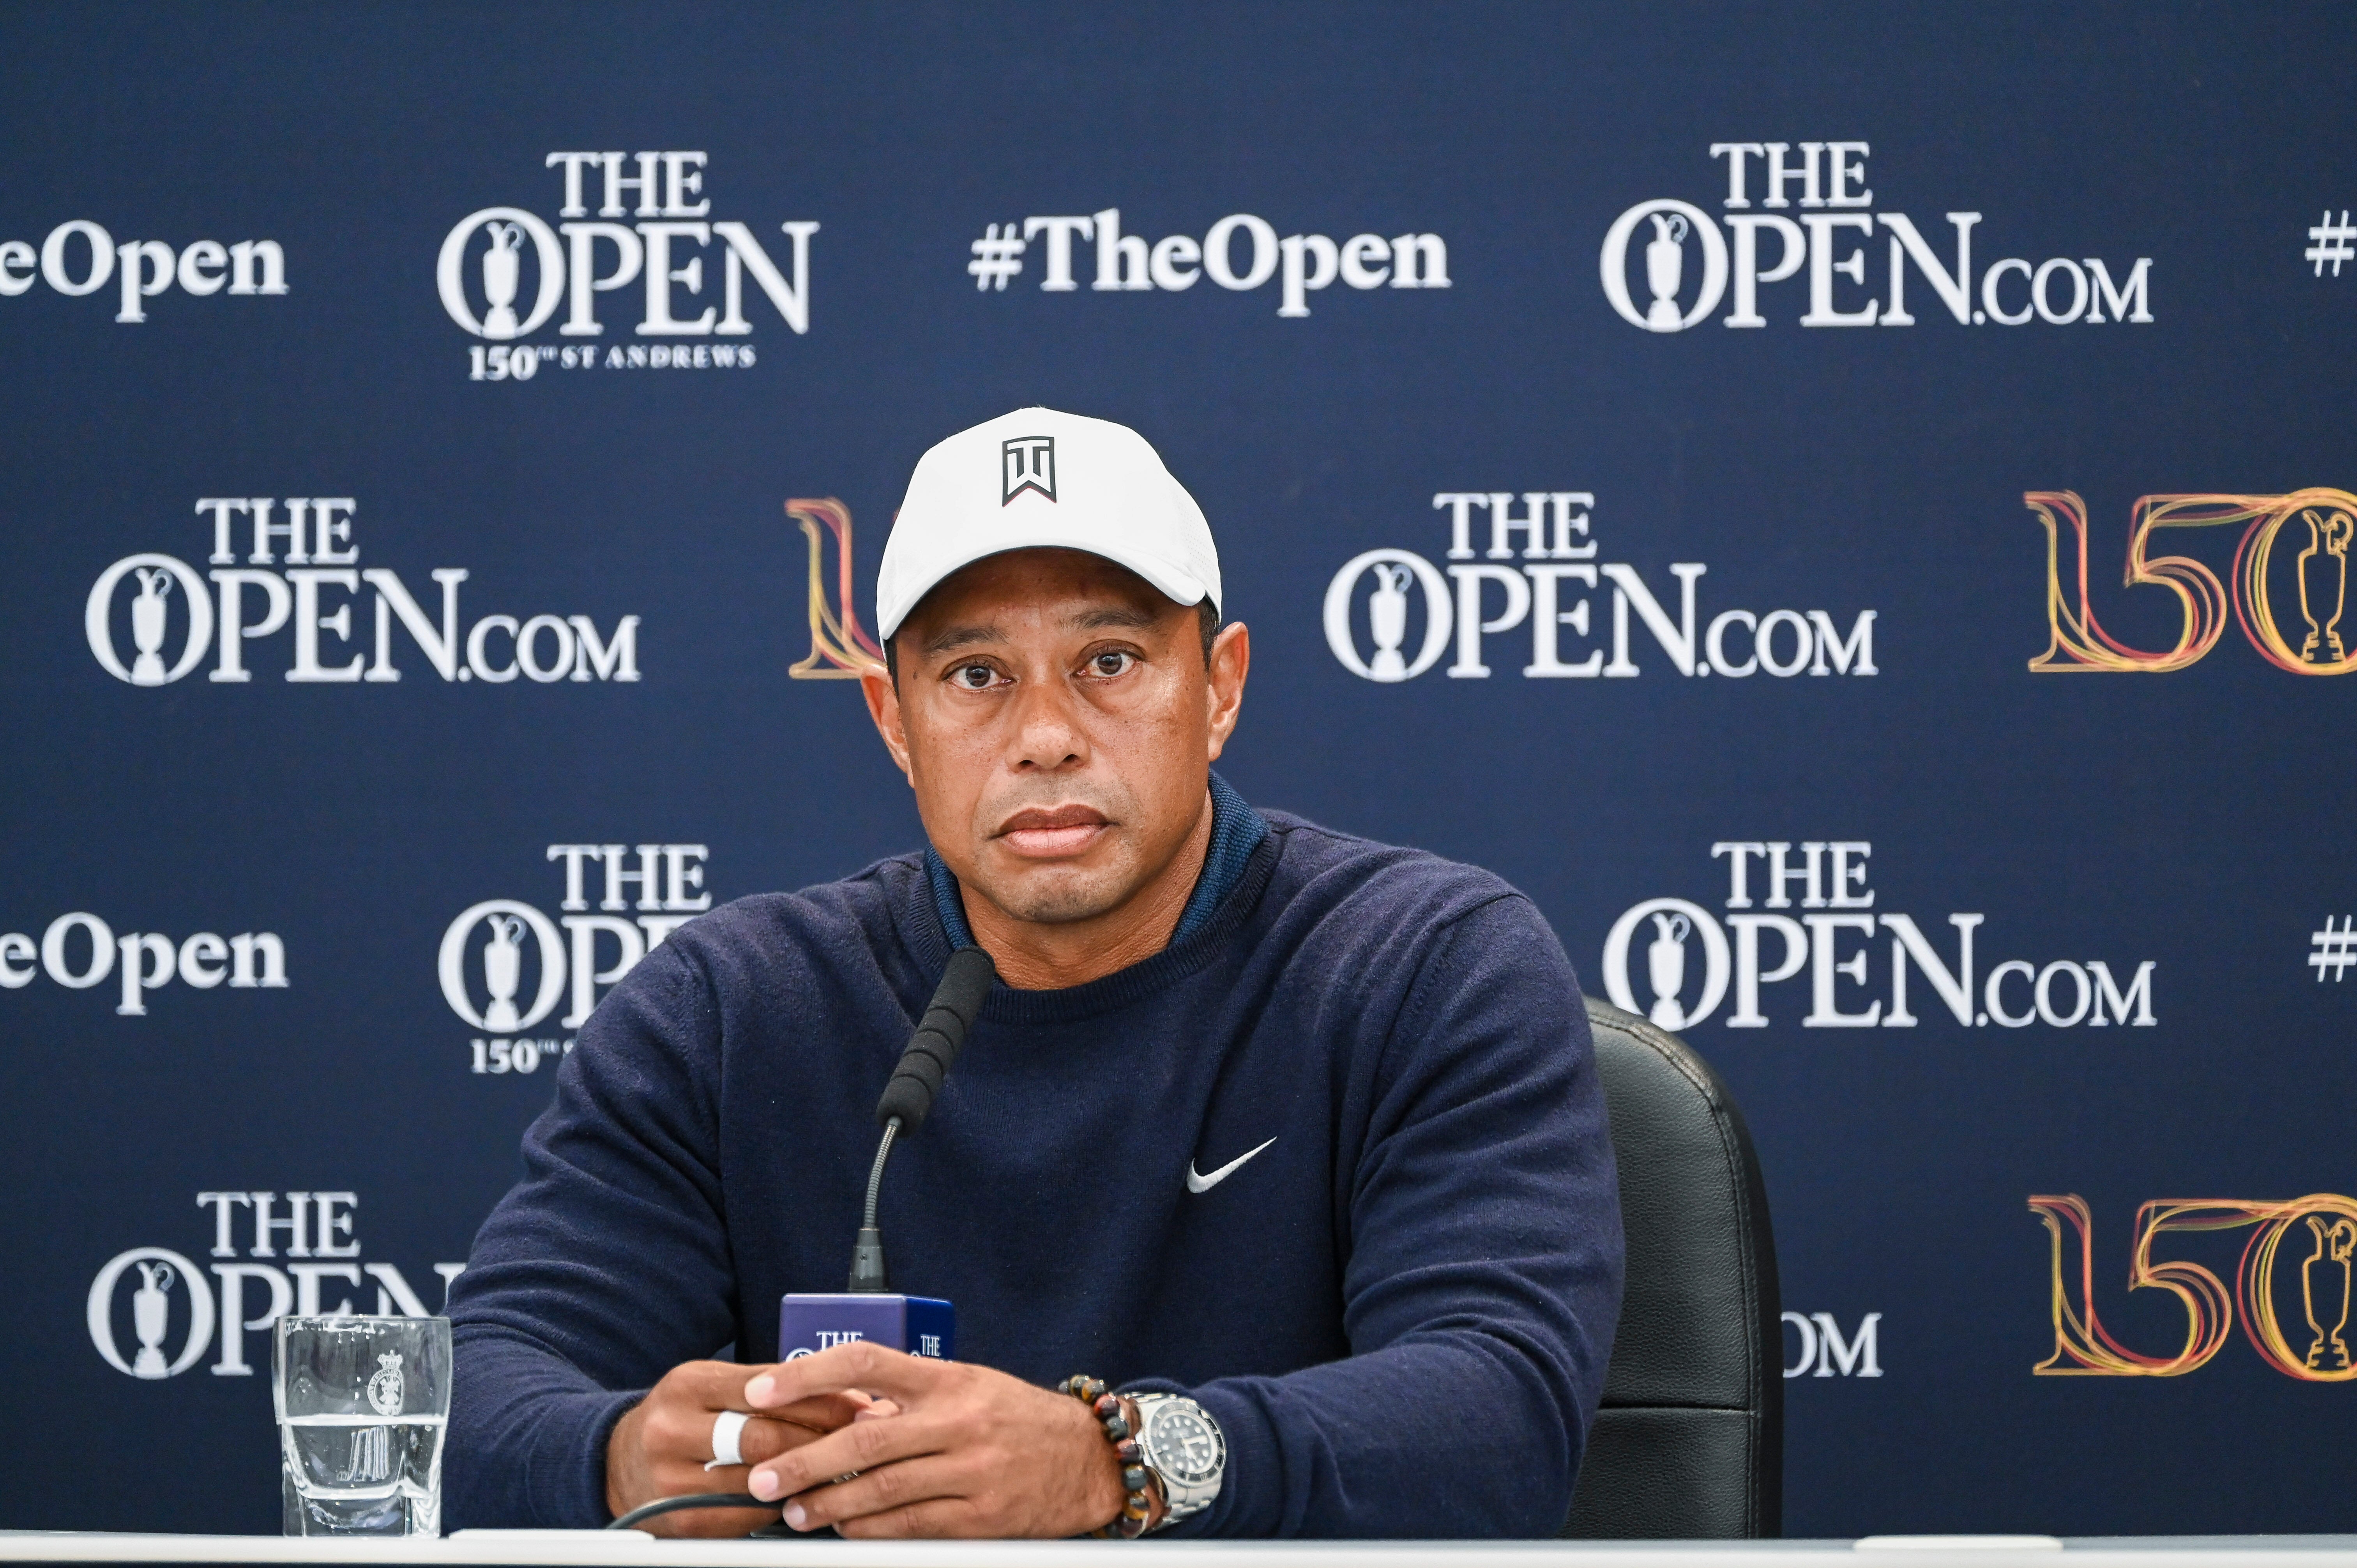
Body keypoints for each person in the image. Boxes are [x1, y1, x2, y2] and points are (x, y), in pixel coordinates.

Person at [445, 407, 1624, 1539]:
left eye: (1109, 660)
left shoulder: (1424, 964)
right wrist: (612, 1455)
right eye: (976, 676)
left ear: (1219, 687)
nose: (1046, 735)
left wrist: (1112, 1461)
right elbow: (474, 1398)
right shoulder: (732, 1006)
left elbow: (1500, 1418)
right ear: (893, 720)